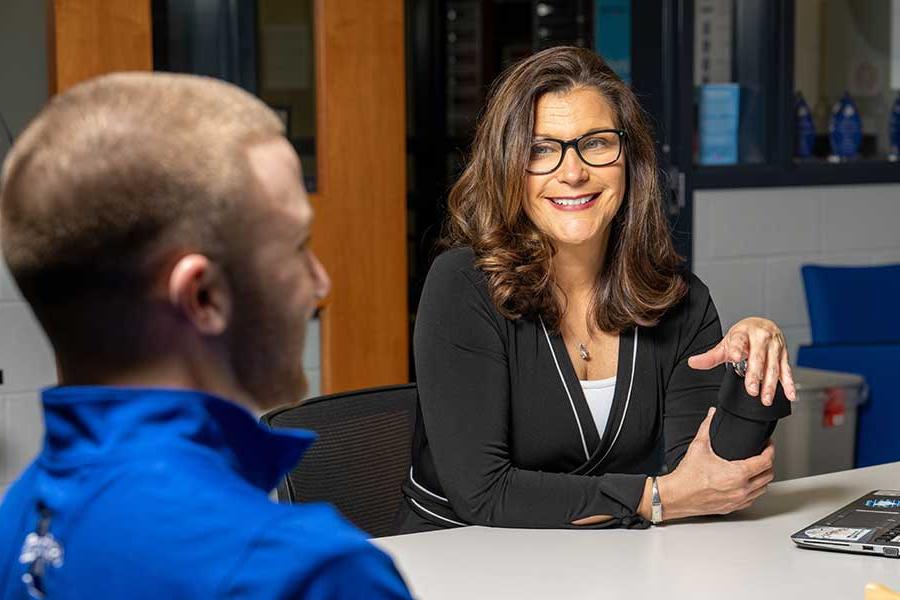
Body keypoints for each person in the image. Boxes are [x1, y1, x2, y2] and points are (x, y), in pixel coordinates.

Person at [0, 72, 411, 599]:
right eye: (296, 246)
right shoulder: (305, 573)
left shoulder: (19, 524)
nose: (320, 281)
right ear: (203, 296)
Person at [397, 46, 796, 533]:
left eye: (597, 143)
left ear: (630, 158)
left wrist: (751, 369)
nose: (573, 171)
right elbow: (484, 494)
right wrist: (654, 497)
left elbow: (709, 484)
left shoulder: (678, 299)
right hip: (460, 561)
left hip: (603, 567)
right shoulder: (462, 286)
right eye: (541, 149)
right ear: (507, 168)